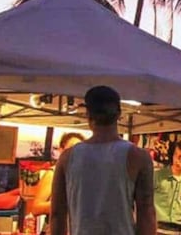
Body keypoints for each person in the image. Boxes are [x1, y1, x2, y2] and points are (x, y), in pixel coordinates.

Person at [50, 86, 155, 235]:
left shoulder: (67, 157)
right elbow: (146, 212)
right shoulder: (138, 156)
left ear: (88, 114)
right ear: (119, 113)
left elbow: (57, 214)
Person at [31, 132, 85, 222]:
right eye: (71, 148)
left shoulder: (81, 176)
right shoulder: (52, 174)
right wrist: (65, 204)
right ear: (61, 150)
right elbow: (36, 208)